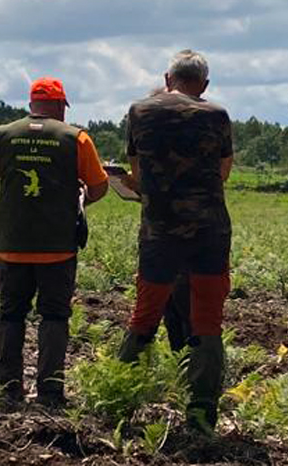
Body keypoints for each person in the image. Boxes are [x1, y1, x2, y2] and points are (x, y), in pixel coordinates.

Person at [0, 77, 108, 408]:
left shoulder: (3, 136)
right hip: (58, 247)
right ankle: (50, 393)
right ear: (59, 106)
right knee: (54, 316)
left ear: (31, 105)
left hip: (13, 243)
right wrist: (79, 199)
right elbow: (99, 186)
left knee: (11, 314)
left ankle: (9, 391)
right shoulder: (76, 138)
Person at [118, 50, 233, 434]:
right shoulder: (217, 116)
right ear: (205, 85)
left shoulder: (140, 111)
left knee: (145, 314)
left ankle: (118, 397)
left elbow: (138, 173)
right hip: (210, 233)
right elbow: (223, 173)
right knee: (207, 322)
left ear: (168, 78)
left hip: (159, 232)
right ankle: (201, 415)